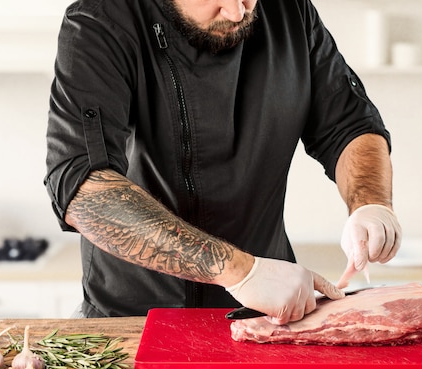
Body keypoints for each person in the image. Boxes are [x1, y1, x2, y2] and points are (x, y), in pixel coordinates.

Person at [44, 0, 402, 322]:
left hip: (265, 316)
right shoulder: (100, 22)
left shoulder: (292, 12)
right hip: (133, 319)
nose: (237, 11)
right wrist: (240, 271)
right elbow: (84, 189)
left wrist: (370, 202)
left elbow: (350, 124)